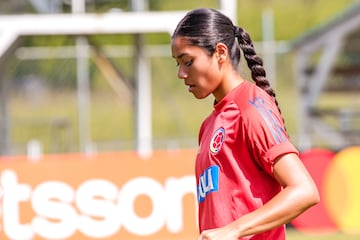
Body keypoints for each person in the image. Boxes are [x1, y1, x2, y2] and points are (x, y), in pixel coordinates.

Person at [171, 8, 319, 240]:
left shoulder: (251, 106)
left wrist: (233, 230)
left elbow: (304, 191)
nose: (181, 73)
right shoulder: (209, 124)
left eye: (188, 61)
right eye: (177, 64)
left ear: (220, 52)